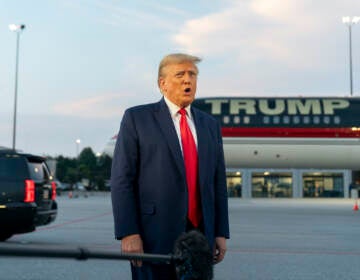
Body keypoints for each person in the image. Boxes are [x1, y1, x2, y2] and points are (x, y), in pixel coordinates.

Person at [110, 53, 230, 280]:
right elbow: (121, 179)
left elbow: (217, 182)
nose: (188, 80)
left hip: (201, 234)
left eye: (192, 75)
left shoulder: (209, 125)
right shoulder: (137, 118)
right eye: (180, 75)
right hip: (152, 234)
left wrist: (221, 232)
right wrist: (128, 232)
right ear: (162, 84)